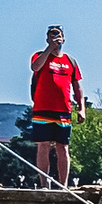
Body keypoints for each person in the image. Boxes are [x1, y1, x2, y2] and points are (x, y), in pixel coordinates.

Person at [26, 26, 84, 186]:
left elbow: (77, 86)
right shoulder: (39, 56)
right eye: (51, 36)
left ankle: (63, 184)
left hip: (64, 110)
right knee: (43, 145)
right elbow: (35, 67)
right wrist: (49, 49)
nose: (55, 38)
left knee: (62, 147)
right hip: (43, 108)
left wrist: (81, 108)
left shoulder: (70, 61)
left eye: (57, 35)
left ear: (63, 39)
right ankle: (44, 183)